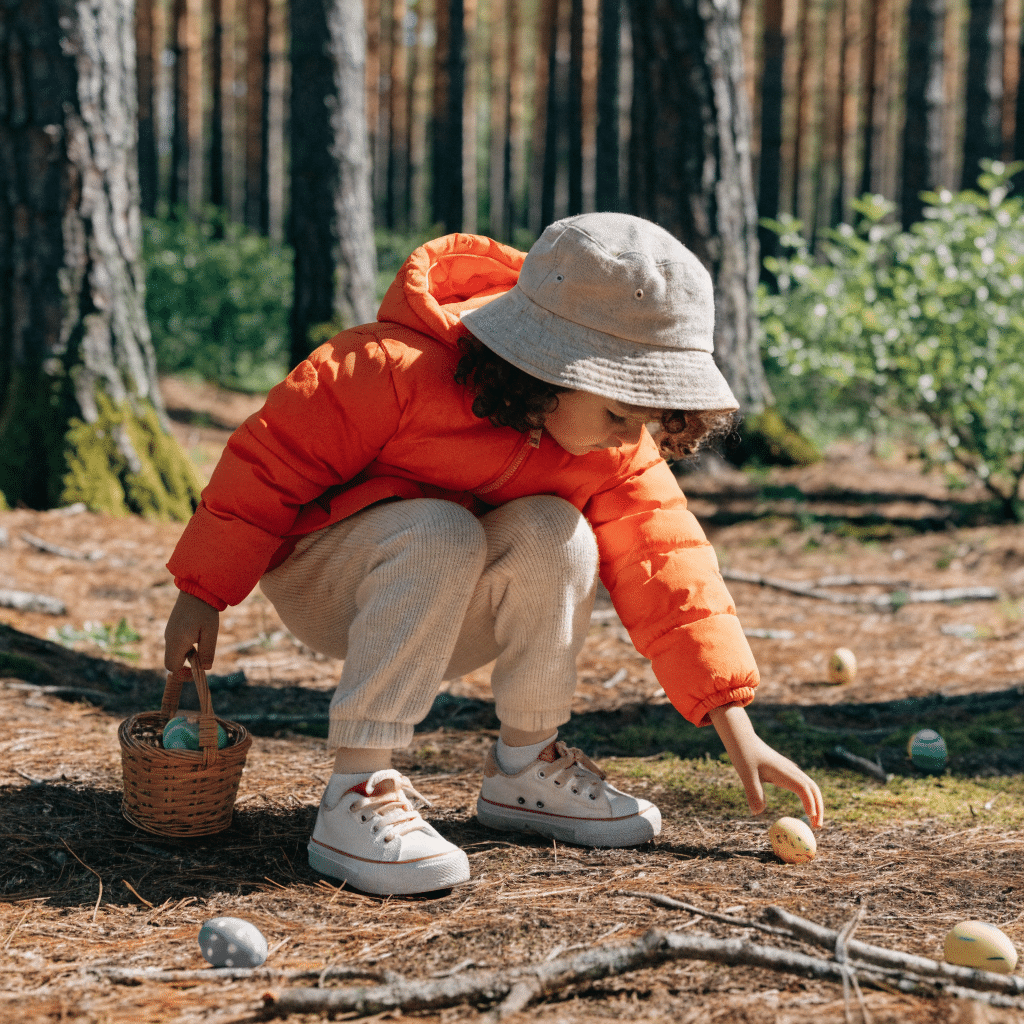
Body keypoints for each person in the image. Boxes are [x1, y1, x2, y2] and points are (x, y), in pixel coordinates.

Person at [163, 212, 824, 896]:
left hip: (449, 600)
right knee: (440, 529)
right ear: (547, 366)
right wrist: (202, 591)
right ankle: (355, 791)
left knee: (555, 530)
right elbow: (269, 464)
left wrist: (733, 721)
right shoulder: (389, 368)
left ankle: (525, 769)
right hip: (332, 583)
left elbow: (668, 563)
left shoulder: (612, 445)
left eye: (646, 420)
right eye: (619, 415)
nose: (627, 439)